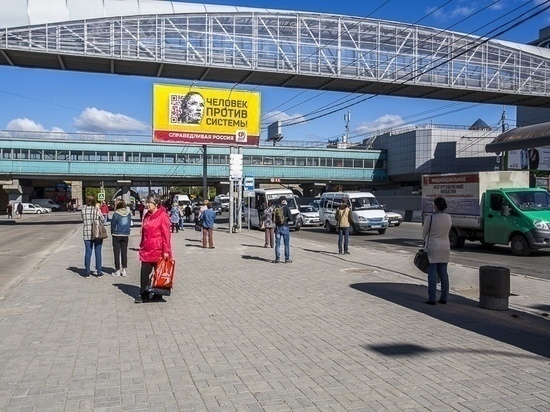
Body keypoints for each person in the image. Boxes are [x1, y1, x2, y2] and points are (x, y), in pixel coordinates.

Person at [136, 194, 172, 303]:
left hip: (158, 250)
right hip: (147, 249)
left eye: (149, 203)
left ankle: (158, 294)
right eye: (147, 202)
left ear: (156, 204)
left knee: (159, 272)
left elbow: (166, 235)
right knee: (144, 272)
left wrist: (166, 251)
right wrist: (142, 243)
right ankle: (144, 295)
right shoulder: (147, 215)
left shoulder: (163, 216)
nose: (147, 205)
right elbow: (144, 231)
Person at [422, 196, 452, 305]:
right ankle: (444, 297)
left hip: (433, 247)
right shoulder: (448, 217)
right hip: (445, 247)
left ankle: (432, 298)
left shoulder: (430, 218)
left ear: (435, 206)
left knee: (432, 274)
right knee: (444, 273)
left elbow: (424, 234)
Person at [81, 195, 104, 278]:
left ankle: (87, 272)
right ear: (94, 201)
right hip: (97, 233)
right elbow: (102, 219)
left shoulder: (83, 210)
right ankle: (99, 272)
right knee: (98, 253)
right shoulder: (96, 209)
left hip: (86, 233)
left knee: (88, 252)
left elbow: (83, 219)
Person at [110, 200, 132, 277]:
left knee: (116, 253)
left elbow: (112, 224)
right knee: (124, 252)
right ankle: (124, 270)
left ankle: (117, 270)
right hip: (125, 235)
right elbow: (129, 223)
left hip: (116, 234)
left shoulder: (116, 214)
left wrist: (112, 232)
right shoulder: (128, 214)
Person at [273, 196, 293, 263]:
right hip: (285, 227)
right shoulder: (286, 208)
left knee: (277, 244)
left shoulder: (276, 208)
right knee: (286, 244)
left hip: (278, 228)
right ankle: (287, 259)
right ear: (284, 200)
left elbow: (273, 218)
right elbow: (291, 219)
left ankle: (277, 259)